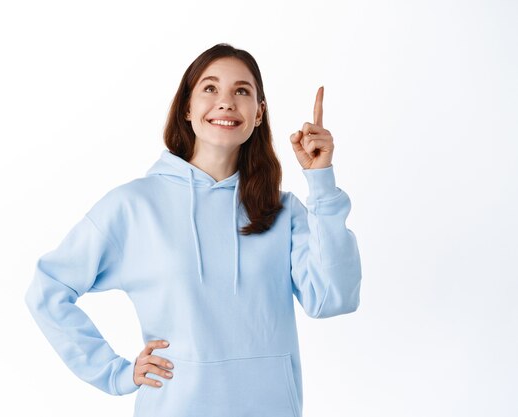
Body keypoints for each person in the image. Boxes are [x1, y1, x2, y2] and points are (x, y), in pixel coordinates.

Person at [25, 43, 362, 417]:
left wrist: (321, 182)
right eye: (210, 88)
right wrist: (115, 373)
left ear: (258, 113)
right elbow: (48, 289)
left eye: (242, 91)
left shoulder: (281, 212)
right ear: (188, 107)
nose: (226, 102)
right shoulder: (134, 206)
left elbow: (334, 298)